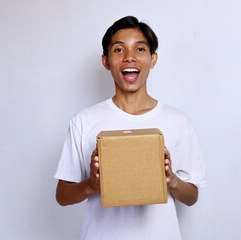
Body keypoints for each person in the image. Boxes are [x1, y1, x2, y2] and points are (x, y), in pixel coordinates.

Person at [54, 16, 206, 240]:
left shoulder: (177, 121)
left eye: (140, 49)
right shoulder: (84, 121)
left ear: (153, 58)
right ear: (106, 60)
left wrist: (171, 179)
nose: (129, 57)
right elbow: (62, 196)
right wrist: (91, 185)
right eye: (118, 50)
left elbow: (192, 196)